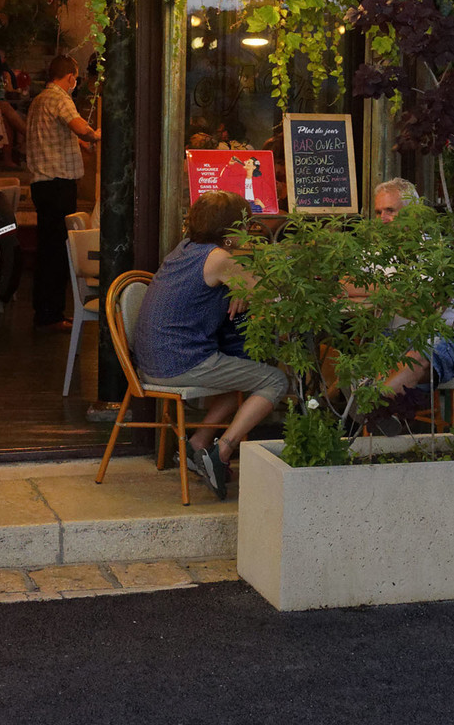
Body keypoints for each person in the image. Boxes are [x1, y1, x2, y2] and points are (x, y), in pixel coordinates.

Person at [133, 190, 287, 499]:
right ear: (232, 228)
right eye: (246, 223)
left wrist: (240, 283)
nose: (251, 228)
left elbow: (243, 280)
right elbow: (274, 295)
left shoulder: (186, 249)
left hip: (155, 361)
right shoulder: (219, 258)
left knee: (239, 370)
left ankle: (198, 444)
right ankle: (223, 451)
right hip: (180, 363)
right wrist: (244, 282)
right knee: (274, 379)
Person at [356, 177, 454, 421]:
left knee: (419, 353)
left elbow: (425, 307)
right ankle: (377, 410)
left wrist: (372, 290)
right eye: (378, 212)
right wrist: (390, 291)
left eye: (390, 211)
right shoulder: (373, 252)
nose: (382, 218)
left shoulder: (437, 252)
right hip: (387, 339)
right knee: (341, 349)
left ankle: (370, 407)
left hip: (438, 340)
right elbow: (344, 284)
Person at [25, 54, 99, 332]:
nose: (75, 84)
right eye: (76, 79)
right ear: (69, 77)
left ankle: (44, 311)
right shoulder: (60, 98)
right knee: (57, 251)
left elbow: (54, 135)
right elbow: (82, 127)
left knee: (48, 250)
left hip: (42, 184)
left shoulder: (39, 100)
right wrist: (96, 134)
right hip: (57, 186)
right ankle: (51, 315)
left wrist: (79, 142)